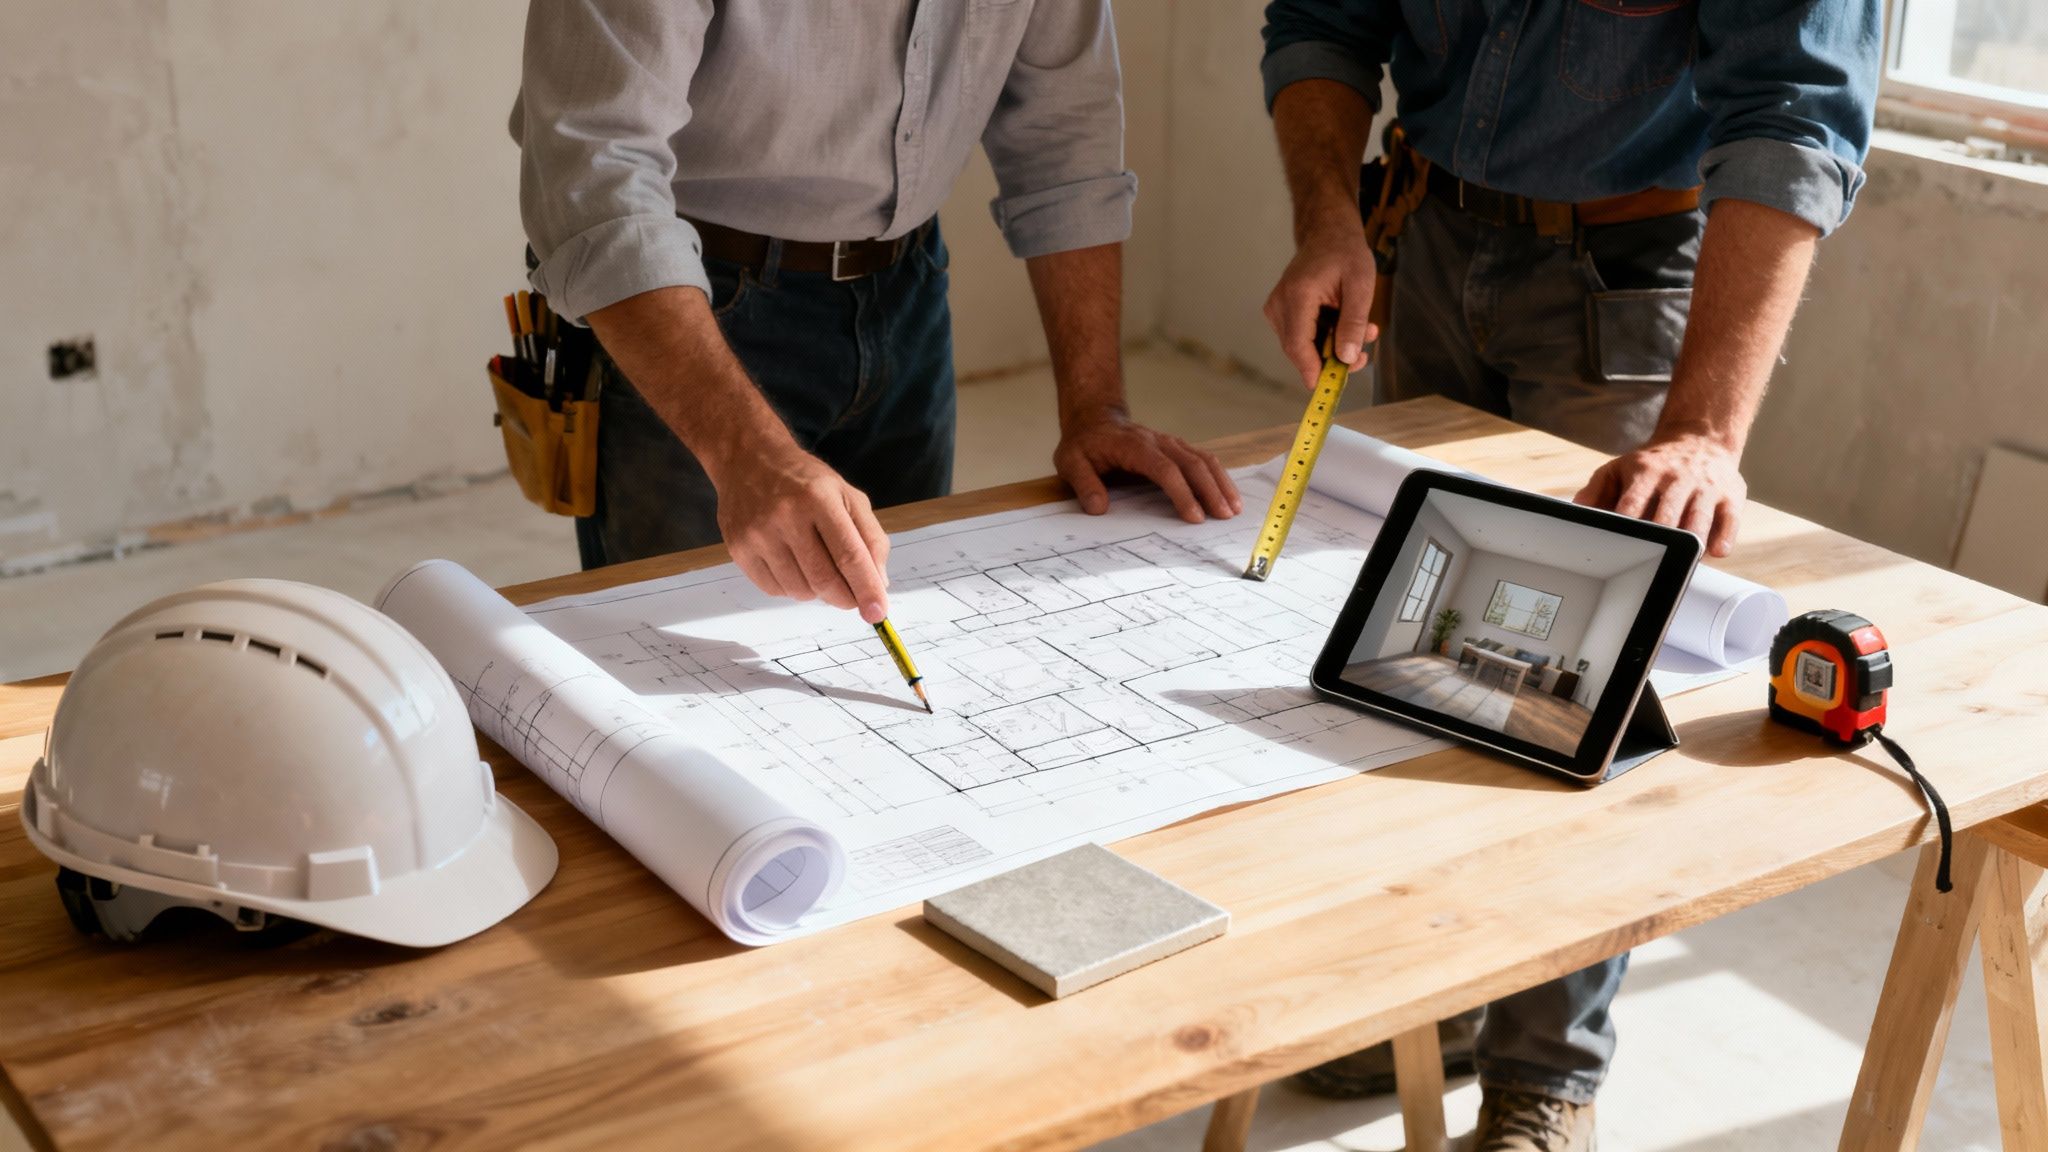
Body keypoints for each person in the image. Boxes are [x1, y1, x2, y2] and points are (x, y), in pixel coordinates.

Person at [1258, 0, 1879, 1146]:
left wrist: (1702, 428)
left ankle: (1543, 1078)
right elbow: (1320, 19)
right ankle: (1445, 995)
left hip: (1629, 274)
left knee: (1582, 689)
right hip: (1422, 238)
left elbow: (1793, 114)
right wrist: (1327, 217)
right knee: (1414, 655)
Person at [515, 3, 1240, 619]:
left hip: (909, 290)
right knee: (676, 659)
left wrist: (1096, 411)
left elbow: (1065, 142)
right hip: (691, 310)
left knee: (888, 632)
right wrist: (745, 452)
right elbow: (594, 176)